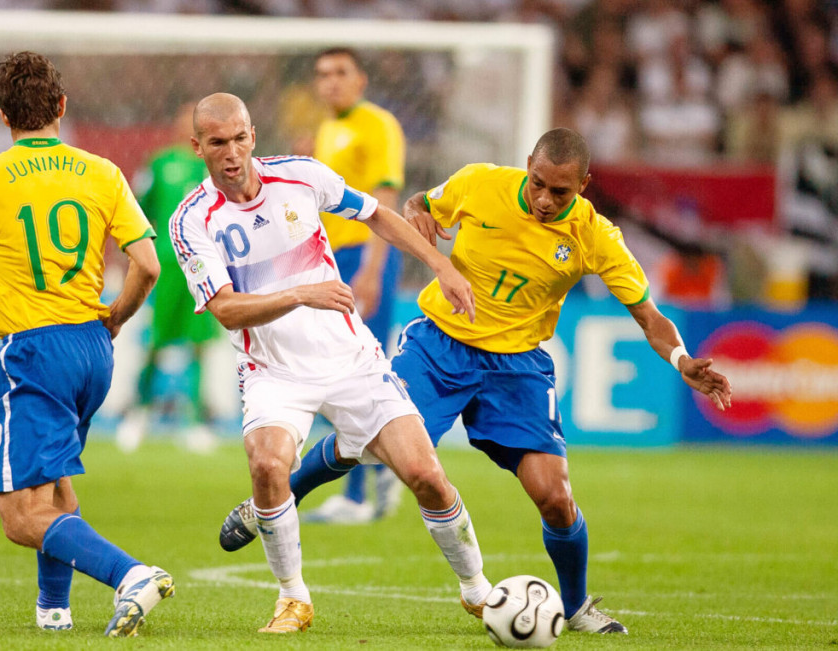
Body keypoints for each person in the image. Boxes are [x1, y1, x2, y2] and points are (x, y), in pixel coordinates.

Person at [219, 127, 733, 635]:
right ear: (527, 165)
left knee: (555, 496)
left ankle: (575, 606)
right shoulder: (480, 183)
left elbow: (649, 316)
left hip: (517, 368)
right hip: (439, 347)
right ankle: (274, 500)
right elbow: (422, 203)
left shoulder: (595, 236)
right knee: (373, 446)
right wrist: (419, 212)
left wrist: (681, 358)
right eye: (538, 183)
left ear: (584, 185)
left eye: (560, 192)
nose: (545, 199)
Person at [173, 93, 491, 634]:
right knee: (268, 466)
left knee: (425, 475)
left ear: (253, 135)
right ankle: (292, 598)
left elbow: (377, 214)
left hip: (351, 361)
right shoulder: (192, 220)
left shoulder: (301, 175)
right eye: (218, 142)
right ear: (198, 146)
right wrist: (302, 294)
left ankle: (477, 589)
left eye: (240, 138)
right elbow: (225, 309)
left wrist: (441, 265)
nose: (231, 153)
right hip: (273, 371)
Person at [0, 51, 173, 638]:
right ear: (61, 105)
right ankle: (53, 610)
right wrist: (115, 318)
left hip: (34, 350)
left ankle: (131, 574)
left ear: (3, 116)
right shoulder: (103, 172)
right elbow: (148, 265)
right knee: (55, 484)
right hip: (93, 350)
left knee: (19, 515)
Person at [306, 47, 407, 523]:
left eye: (341, 72)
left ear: (361, 79)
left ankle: (359, 492)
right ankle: (381, 468)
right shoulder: (328, 128)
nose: (331, 81)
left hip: (366, 255)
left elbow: (385, 196)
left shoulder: (378, 124)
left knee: (360, 370)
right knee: (330, 370)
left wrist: (371, 268)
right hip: (334, 260)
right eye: (323, 73)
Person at [116, 101, 221, 453]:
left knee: (199, 344)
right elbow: (138, 211)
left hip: (205, 267)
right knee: (157, 342)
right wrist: (134, 255)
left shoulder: (214, 168)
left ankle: (194, 421)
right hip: (167, 266)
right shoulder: (160, 164)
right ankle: (139, 412)